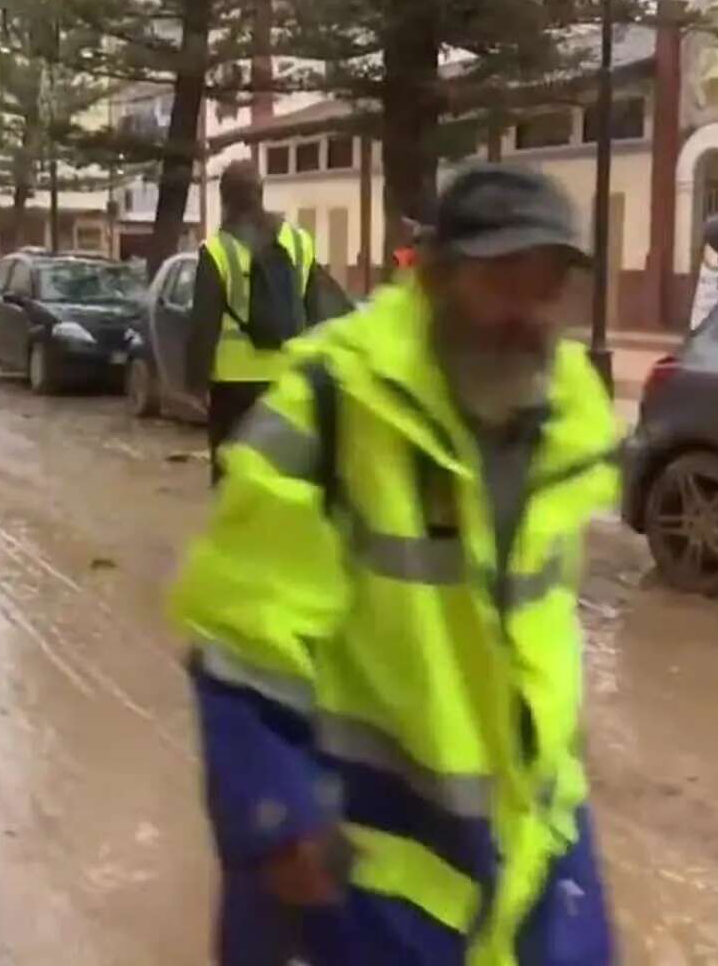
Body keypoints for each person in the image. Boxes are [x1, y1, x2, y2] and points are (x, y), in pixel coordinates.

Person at [172, 164, 619, 964]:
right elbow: (242, 644)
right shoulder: (334, 407)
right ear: (439, 281)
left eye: (548, 284)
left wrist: (574, 877)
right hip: (369, 888)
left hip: (533, 873)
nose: (527, 313)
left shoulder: (570, 421)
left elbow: (541, 658)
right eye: (501, 280)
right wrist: (278, 817)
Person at [186, 159, 348, 481]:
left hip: (232, 389)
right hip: (287, 382)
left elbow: (203, 325)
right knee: (283, 475)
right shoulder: (300, 242)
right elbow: (318, 312)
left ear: (225, 200)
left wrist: (195, 383)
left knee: (232, 478)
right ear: (261, 194)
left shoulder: (217, 250)